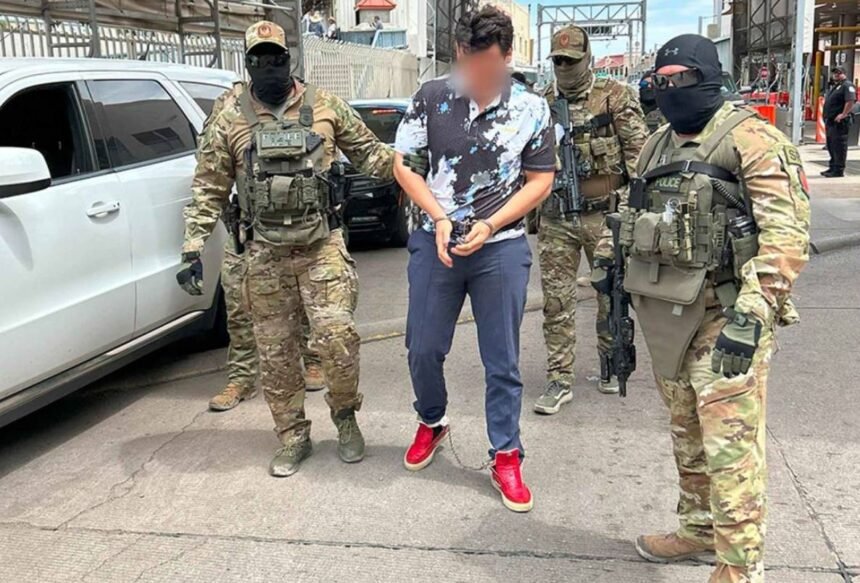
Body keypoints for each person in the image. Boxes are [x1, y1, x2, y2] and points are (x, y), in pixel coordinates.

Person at [592, 35, 810, 582]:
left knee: (730, 449)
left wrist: (753, 313)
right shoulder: (657, 143)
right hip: (669, 314)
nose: (669, 90)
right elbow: (629, 207)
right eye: (660, 81)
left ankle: (739, 568)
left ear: (710, 76)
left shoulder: (752, 140)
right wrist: (608, 260)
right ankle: (698, 528)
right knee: (686, 432)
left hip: (728, 316)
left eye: (681, 78)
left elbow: (786, 237)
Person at [177, 21, 394, 477]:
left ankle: (345, 418)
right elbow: (209, 185)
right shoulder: (229, 116)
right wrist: (193, 246)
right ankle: (293, 436)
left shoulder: (326, 105)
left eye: (276, 57)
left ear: (289, 58)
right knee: (275, 353)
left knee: (337, 339)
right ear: (247, 63)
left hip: (321, 248)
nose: (269, 66)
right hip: (264, 254)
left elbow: (374, 156)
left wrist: (421, 167)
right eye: (259, 59)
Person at [393, 5, 555, 513]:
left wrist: (491, 224)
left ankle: (506, 453)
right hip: (435, 241)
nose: (476, 75)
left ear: (507, 57)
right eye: (468, 62)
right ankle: (432, 419)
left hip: (500, 247)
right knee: (422, 347)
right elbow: (405, 166)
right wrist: (439, 218)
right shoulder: (431, 97)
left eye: (486, 65)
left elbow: (541, 180)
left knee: (502, 360)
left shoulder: (532, 108)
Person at [533, 24, 647, 415]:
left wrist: (628, 214)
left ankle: (610, 363)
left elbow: (639, 162)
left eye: (571, 60)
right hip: (557, 217)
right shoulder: (541, 103)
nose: (564, 67)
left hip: (604, 215)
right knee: (556, 303)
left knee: (610, 295)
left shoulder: (615, 97)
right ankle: (559, 378)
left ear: (588, 59)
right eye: (558, 61)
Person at [208, 235, 328, 412]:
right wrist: (192, 249)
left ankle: (314, 360)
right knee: (238, 309)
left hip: (287, 234)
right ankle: (242, 379)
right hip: (242, 238)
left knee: (299, 299)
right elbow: (204, 214)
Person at [822, 65, 855, 178]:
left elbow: (850, 101)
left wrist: (843, 114)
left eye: (839, 73)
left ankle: (838, 170)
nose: (836, 75)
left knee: (839, 146)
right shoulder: (837, 86)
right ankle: (832, 167)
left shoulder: (847, 86)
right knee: (831, 145)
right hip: (831, 121)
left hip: (840, 122)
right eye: (835, 73)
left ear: (844, 74)